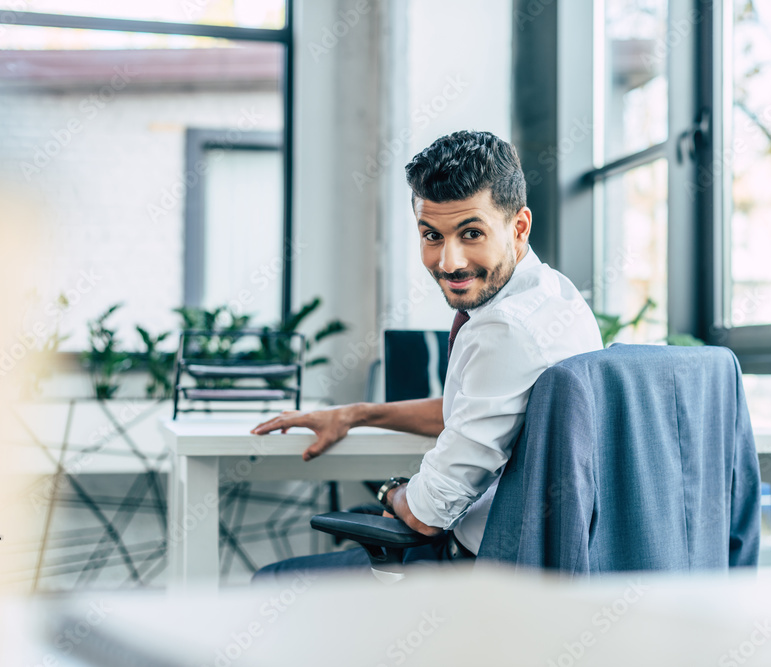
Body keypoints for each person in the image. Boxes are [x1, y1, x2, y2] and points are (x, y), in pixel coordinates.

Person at [251, 130, 602, 580]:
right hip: (531, 554)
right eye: (432, 235)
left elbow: (427, 513)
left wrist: (390, 493)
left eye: (471, 233)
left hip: (479, 568)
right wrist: (356, 414)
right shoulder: (554, 294)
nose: (449, 261)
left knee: (272, 582)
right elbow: (480, 409)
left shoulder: (505, 329)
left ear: (519, 227)